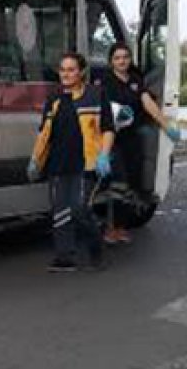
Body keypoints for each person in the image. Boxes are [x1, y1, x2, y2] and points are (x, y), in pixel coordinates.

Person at [28, 53, 116, 273]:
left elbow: (108, 128)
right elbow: (44, 133)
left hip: (87, 163)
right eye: (63, 70)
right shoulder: (54, 99)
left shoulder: (96, 95)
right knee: (60, 212)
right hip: (58, 164)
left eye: (71, 69)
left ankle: (95, 249)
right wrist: (35, 160)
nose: (66, 74)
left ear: (81, 72)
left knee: (79, 209)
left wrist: (104, 155)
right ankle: (64, 257)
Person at [99, 43, 182, 244]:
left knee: (132, 185)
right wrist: (103, 152)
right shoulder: (105, 81)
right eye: (117, 58)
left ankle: (120, 228)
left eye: (125, 57)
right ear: (111, 61)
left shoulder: (135, 80)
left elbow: (148, 104)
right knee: (118, 183)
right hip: (111, 138)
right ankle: (109, 228)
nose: (122, 61)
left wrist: (166, 125)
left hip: (132, 139)